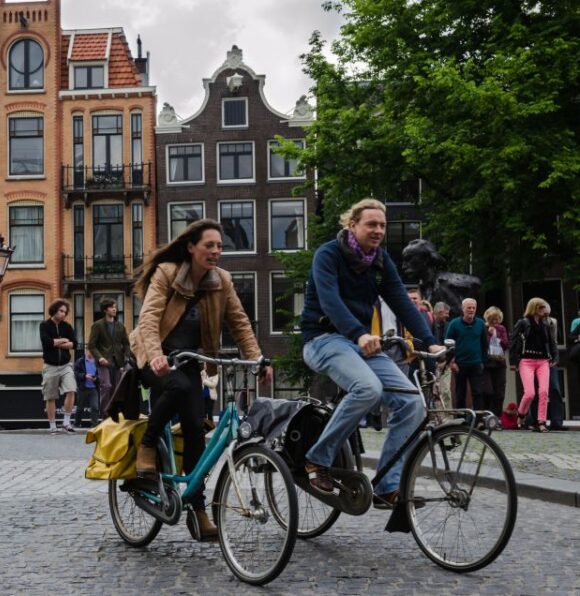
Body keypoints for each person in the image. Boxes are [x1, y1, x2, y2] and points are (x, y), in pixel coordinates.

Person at [130, 219, 272, 541]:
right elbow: (149, 318)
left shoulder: (221, 280)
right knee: (177, 386)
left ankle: (198, 509)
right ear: (191, 247)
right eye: (209, 245)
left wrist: (257, 358)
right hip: (155, 356)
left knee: (196, 429)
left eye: (220, 246)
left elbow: (240, 323)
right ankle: (148, 445)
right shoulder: (167, 272)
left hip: (191, 360)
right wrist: (155, 354)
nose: (216, 251)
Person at [298, 198, 443, 510]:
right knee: (368, 388)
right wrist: (360, 333)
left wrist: (430, 341)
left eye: (382, 225)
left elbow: (402, 302)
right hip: (323, 339)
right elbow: (330, 301)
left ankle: (386, 486)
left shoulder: (380, 260)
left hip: (361, 343)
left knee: (411, 402)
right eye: (371, 224)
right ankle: (316, 460)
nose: (378, 230)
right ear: (353, 225)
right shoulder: (329, 254)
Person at [509, 297, 558, 433]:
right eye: (541, 307)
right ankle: (521, 415)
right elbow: (513, 341)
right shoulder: (523, 323)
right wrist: (513, 362)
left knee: (543, 392)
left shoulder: (546, 325)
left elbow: (552, 343)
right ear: (534, 308)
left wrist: (555, 357)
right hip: (527, 361)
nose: (544, 310)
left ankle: (541, 422)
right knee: (530, 393)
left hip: (543, 361)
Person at [86, 298, 131, 416]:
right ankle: (105, 415)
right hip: (103, 362)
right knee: (106, 386)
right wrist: (99, 357)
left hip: (118, 362)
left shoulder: (120, 326)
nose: (115, 309)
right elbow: (91, 345)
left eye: (115, 307)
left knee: (117, 389)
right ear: (105, 310)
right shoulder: (97, 325)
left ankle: (114, 414)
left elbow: (126, 343)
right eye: (112, 307)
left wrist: (127, 356)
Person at [39, 299, 78, 433]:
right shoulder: (44, 325)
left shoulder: (67, 327)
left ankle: (66, 422)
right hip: (50, 366)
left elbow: (74, 344)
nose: (63, 314)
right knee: (50, 396)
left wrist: (57, 342)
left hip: (66, 365)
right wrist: (63, 340)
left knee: (71, 390)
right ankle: (52, 425)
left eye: (65, 312)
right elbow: (47, 342)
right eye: (61, 311)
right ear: (54, 310)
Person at [446, 298, 489, 411]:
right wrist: (452, 362)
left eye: (473, 308)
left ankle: (478, 420)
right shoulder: (454, 324)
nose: (471, 310)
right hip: (459, 365)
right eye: (469, 307)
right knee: (460, 393)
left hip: (476, 363)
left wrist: (483, 362)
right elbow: (448, 345)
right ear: (463, 309)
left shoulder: (480, 324)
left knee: (478, 392)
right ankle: (461, 419)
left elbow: (485, 344)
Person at [482, 306, 510, 416]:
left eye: (497, 319)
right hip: (486, 364)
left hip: (499, 363)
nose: (495, 321)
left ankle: (496, 418)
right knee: (487, 391)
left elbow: (506, 344)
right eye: (492, 319)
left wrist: (496, 334)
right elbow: (483, 344)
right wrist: (489, 333)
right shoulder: (482, 328)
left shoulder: (502, 329)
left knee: (499, 393)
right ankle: (484, 416)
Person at [74, 349, 100, 427]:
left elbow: (101, 374)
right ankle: (77, 423)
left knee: (95, 406)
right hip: (82, 388)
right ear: (86, 351)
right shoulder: (80, 361)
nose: (90, 352)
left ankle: (94, 424)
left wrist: (96, 378)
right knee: (80, 408)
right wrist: (85, 376)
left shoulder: (98, 361)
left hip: (93, 388)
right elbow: (75, 373)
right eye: (89, 351)